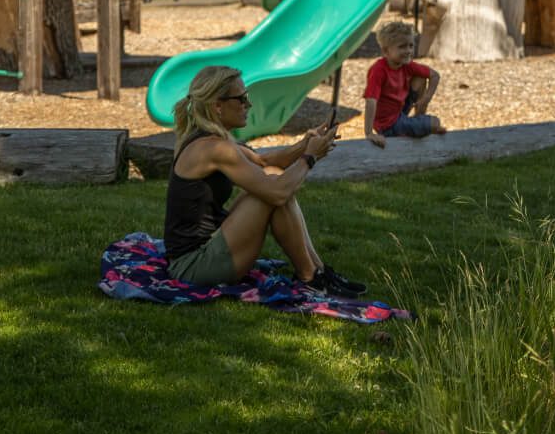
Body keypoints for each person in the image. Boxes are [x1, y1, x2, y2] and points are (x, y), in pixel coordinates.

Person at [163, 65, 366, 297]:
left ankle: (316, 272)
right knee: (272, 190)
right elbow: (277, 193)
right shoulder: (215, 148)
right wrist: (310, 157)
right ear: (217, 106)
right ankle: (310, 276)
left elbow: (262, 161)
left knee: (273, 175)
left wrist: (305, 144)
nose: (247, 104)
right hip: (192, 266)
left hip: (200, 250)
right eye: (241, 99)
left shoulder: (210, 138)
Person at [363, 20, 445, 149]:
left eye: (411, 46)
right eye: (402, 46)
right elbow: (371, 101)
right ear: (386, 51)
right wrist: (369, 133)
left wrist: (426, 99)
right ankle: (414, 126)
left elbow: (434, 75)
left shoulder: (406, 64)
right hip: (388, 125)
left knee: (420, 78)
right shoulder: (379, 70)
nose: (408, 51)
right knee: (435, 123)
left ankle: (417, 120)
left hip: (398, 111)